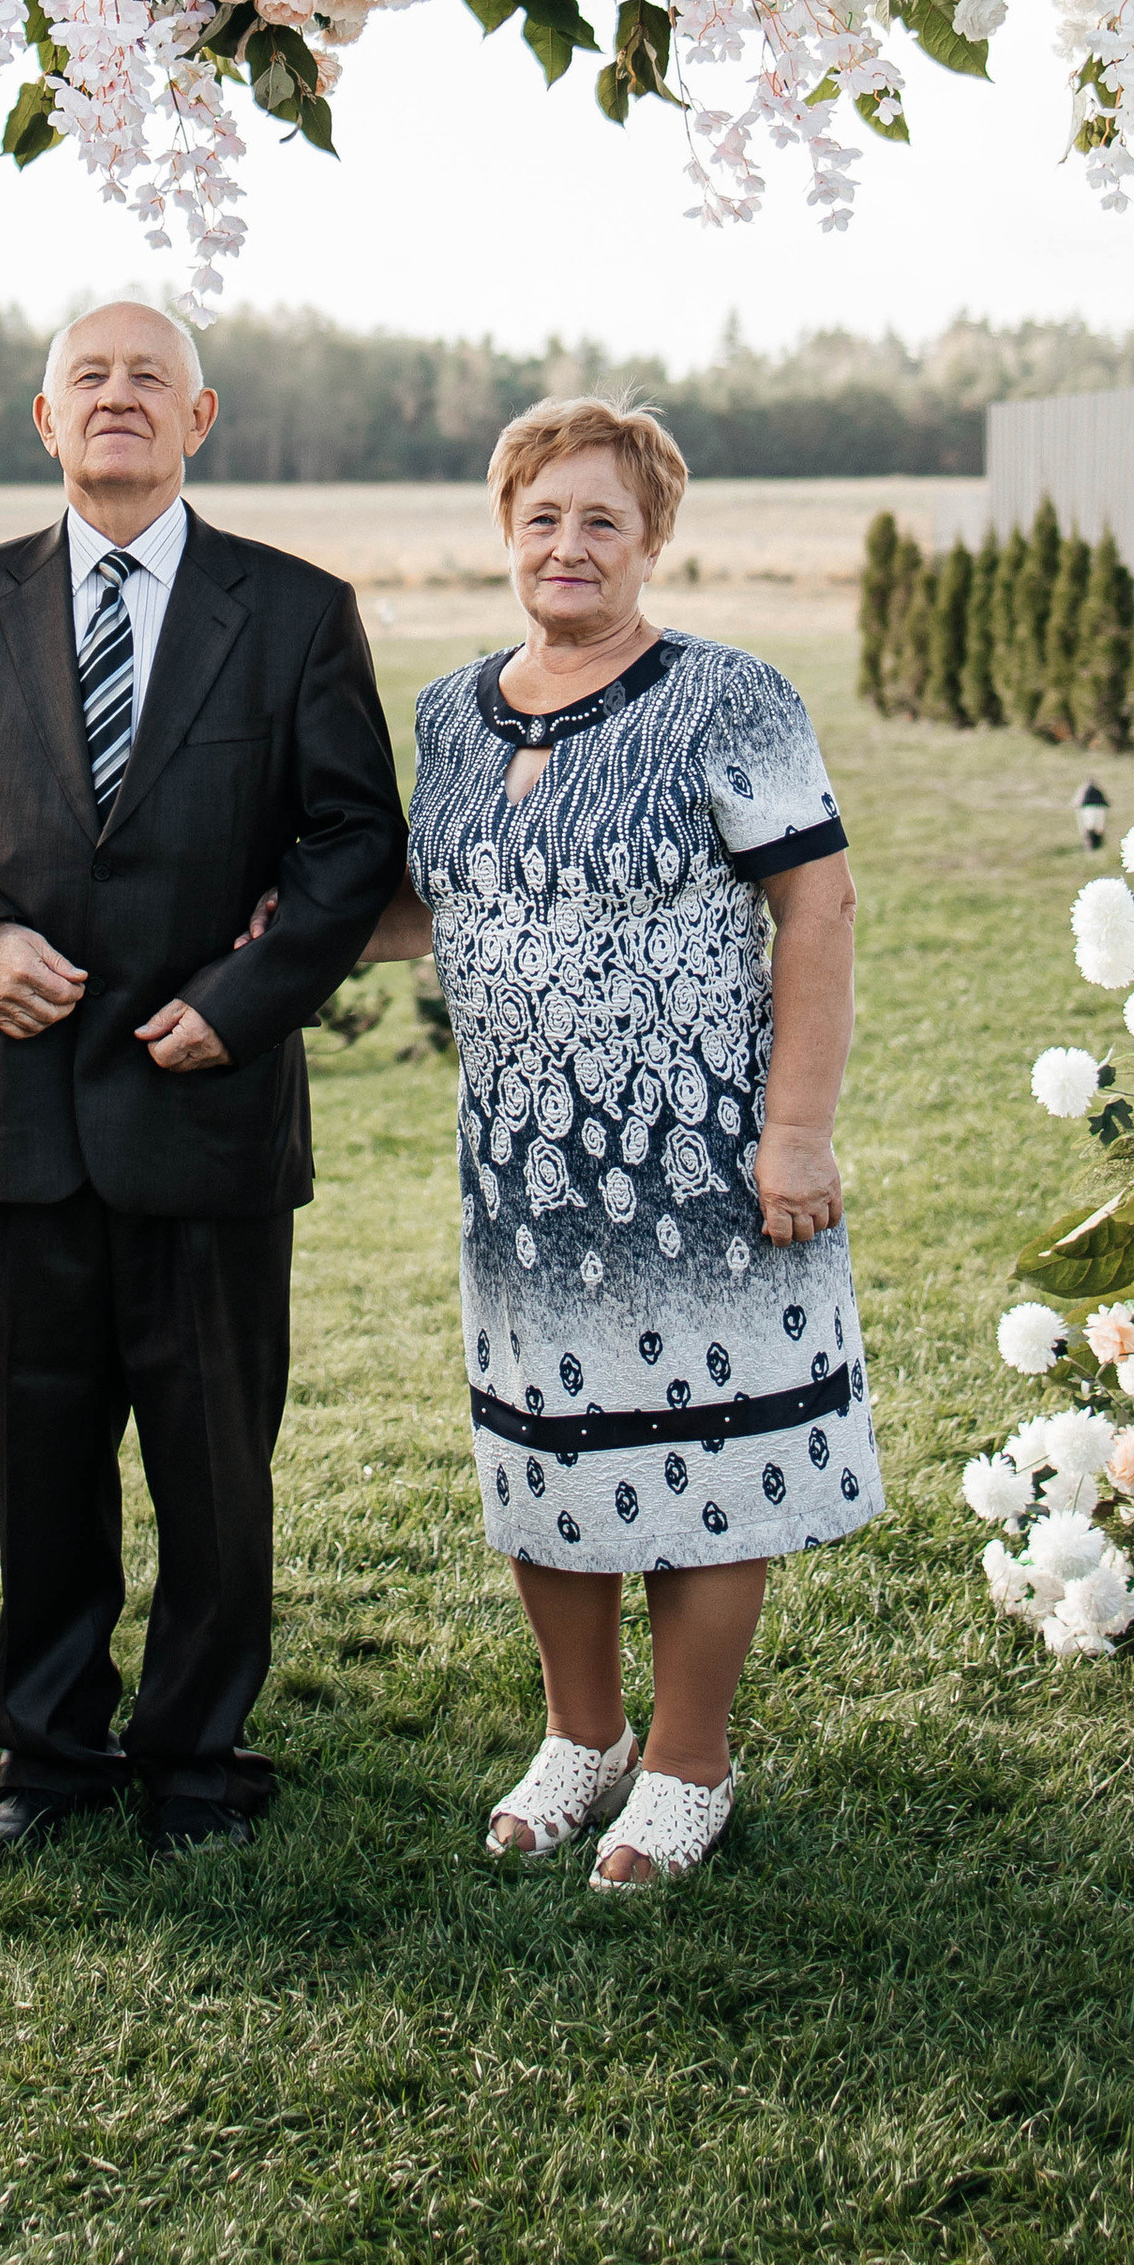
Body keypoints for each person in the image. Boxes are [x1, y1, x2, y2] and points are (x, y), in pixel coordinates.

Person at [0, 304, 407, 1858]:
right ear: (44, 421)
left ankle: (198, 1764)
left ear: (203, 416)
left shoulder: (299, 610)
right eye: (88, 379)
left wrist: (240, 1003)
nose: (119, 399)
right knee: (40, 1447)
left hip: (209, 1105)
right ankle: (46, 1758)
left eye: (148, 381)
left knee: (213, 1456)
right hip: (20, 1107)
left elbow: (350, 837)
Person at [364, 396, 881, 1887]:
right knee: (548, 1451)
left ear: (653, 537)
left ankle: (686, 1761)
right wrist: (264, 923)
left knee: (705, 1455)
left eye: (603, 519)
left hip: (701, 1158)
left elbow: (819, 907)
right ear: (505, 533)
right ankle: (580, 1736)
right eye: (542, 517)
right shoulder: (454, 713)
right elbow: (432, 905)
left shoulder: (731, 697)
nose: (570, 545)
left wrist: (797, 1132)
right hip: (522, 1167)